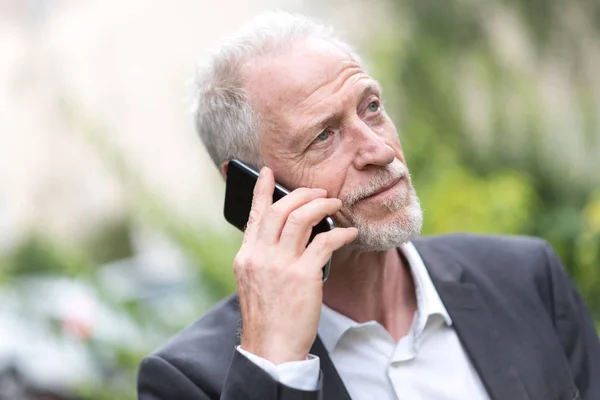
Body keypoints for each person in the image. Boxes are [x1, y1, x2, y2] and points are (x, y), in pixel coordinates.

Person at [137, 11, 600, 400]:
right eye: (323, 136)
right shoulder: (188, 380)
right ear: (251, 187)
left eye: (371, 107)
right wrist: (274, 365)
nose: (378, 149)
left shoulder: (526, 276)